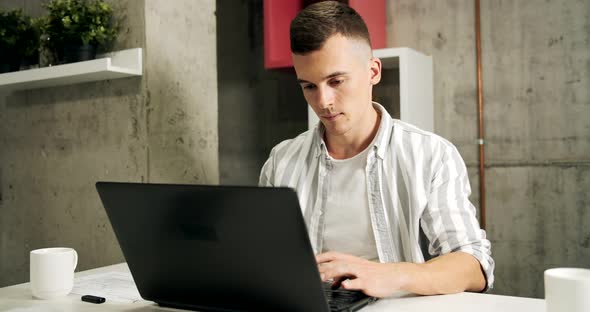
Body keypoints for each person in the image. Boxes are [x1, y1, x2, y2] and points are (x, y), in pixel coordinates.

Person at [259, 1, 494, 298]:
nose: (323, 101)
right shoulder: (281, 161)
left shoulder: (431, 155)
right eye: (309, 86)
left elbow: (475, 266)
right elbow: (267, 261)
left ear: (373, 71)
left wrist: (389, 275)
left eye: (336, 81)